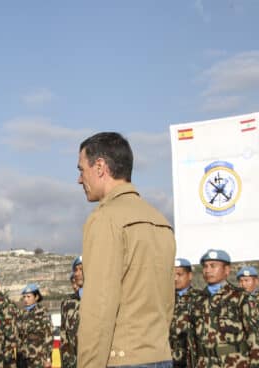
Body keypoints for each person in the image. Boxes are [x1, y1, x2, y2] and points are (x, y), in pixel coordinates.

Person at [76, 132, 176, 368]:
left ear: (100, 166)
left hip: (120, 359)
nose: (80, 179)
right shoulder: (160, 220)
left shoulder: (106, 219)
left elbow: (99, 307)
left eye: (81, 170)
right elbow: (167, 303)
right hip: (159, 355)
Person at [187, 250, 259, 367]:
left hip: (234, 363)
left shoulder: (240, 298)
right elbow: (191, 341)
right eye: (205, 266)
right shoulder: (197, 300)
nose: (208, 270)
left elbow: (254, 337)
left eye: (213, 266)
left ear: (226, 270)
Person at [169, 258, 201, 368]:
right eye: (172, 274)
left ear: (190, 275)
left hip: (191, 358)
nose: (175, 278)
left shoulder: (201, 298)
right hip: (167, 358)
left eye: (179, 274)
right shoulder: (164, 299)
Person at [17, 284, 53, 368]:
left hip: (38, 359)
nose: (25, 299)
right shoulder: (21, 314)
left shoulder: (42, 313)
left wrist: (48, 358)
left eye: (28, 296)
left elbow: (49, 336)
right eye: (24, 297)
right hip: (23, 359)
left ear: (36, 297)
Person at [60, 257, 83, 368]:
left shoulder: (101, 298)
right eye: (76, 270)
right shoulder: (67, 304)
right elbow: (64, 337)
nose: (77, 273)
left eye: (81, 269)